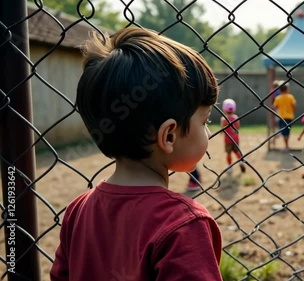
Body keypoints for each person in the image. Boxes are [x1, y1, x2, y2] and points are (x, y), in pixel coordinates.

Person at [50, 27, 223, 281]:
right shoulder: (183, 224)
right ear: (169, 136)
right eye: (205, 121)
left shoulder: (78, 211)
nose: (208, 131)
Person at [220, 98, 245, 174]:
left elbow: (222, 129)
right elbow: (238, 127)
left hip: (227, 139)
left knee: (228, 153)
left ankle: (230, 166)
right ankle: (240, 161)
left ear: (224, 109)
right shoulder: (236, 118)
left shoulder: (224, 119)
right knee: (237, 151)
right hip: (235, 139)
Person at [273, 82, 296, 151]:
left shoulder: (278, 98)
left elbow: (275, 106)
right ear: (287, 89)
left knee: (284, 130)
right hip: (289, 117)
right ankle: (286, 145)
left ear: (279, 90)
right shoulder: (290, 97)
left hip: (281, 116)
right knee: (287, 132)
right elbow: (294, 106)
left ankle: (285, 143)